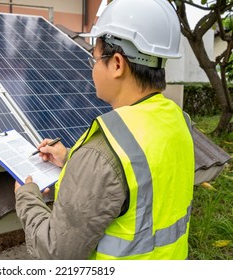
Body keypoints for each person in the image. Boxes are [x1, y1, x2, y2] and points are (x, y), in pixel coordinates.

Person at [14, 0, 195, 260]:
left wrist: (26, 197)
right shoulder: (178, 120)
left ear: (118, 64)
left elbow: (56, 252)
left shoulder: (103, 153)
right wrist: (71, 161)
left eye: (96, 59)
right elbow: (142, 183)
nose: (93, 68)